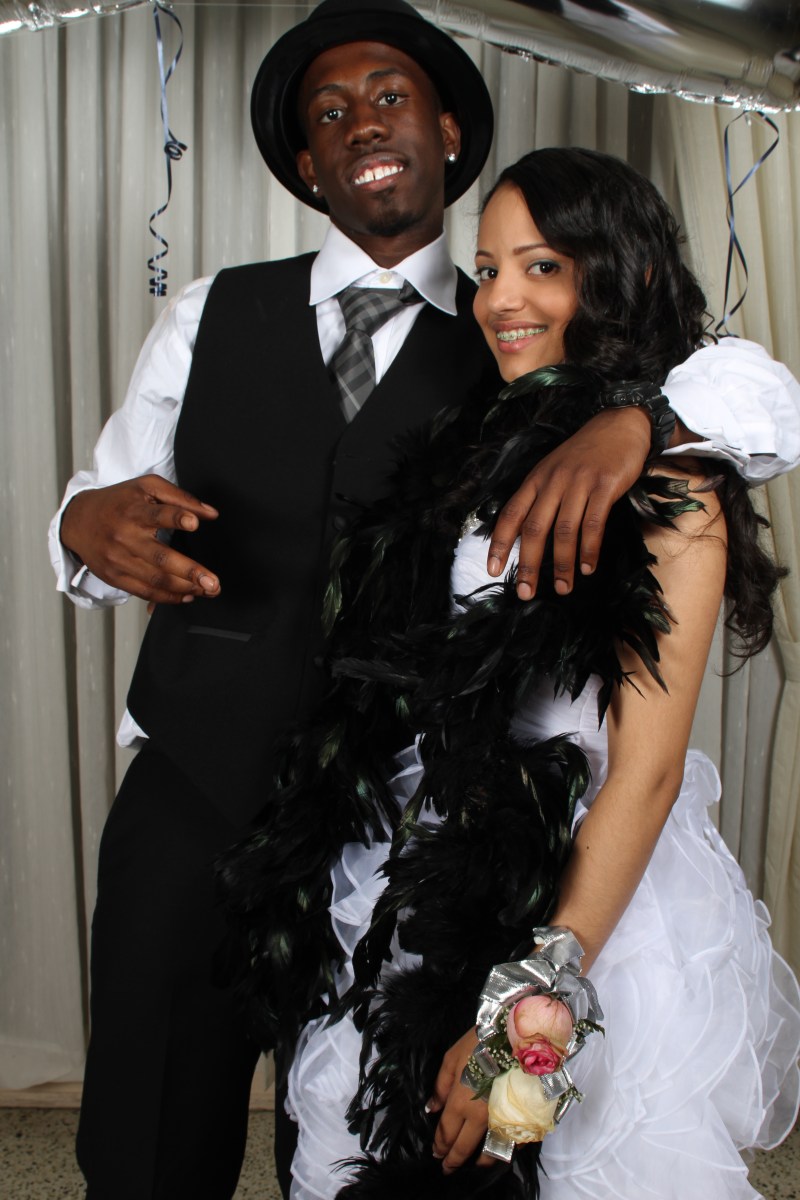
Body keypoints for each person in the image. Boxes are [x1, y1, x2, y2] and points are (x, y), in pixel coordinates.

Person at [49, 1, 800, 1196]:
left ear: (448, 132)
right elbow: (109, 500)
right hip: (231, 796)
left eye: (540, 267)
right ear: (304, 162)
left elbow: (743, 393)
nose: (504, 295)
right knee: (168, 1140)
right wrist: (74, 524)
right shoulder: (220, 317)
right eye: (328, 111)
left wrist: (640, 421)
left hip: (468, 864)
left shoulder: (566, 390)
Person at [219, 147, 800, 1200]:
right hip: (431, 877)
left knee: (525, 1152)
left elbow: (646, 773)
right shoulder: (475, 451)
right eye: (486, 270)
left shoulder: (672, 485)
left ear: (621, 276)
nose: (499, 300)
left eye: (541, 267)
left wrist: (527, 1019)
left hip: (590, 913)